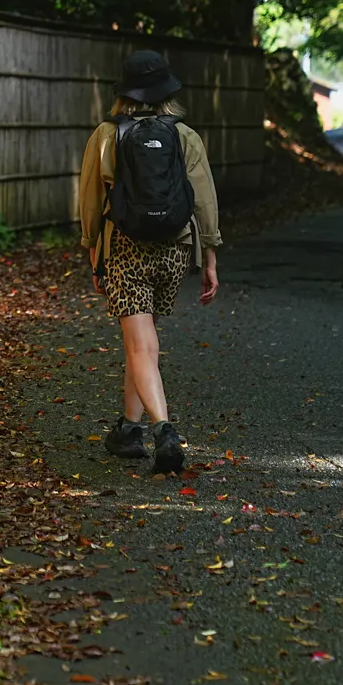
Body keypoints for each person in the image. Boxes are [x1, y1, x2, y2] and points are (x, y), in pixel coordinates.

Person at [79, 50, 222, 473]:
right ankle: (128, 429)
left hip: (126, 247)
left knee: (140, 343)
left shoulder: (107, 134)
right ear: (166, 93)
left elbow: (90, 199)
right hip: (174, 249)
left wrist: (93, 250)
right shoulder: (185, 136)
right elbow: (205, 201)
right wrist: (209, 256)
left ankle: (163, 431)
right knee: (142, 341)